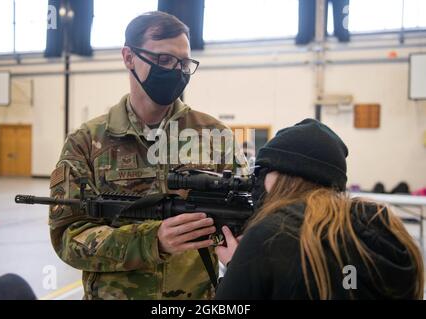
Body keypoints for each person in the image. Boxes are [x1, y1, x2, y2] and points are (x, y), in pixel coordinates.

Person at [49, 11, 244, 300]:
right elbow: (67, 237)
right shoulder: (87, 142)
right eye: (164, 60)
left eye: (184, 63)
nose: (176, 71)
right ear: (129, 57)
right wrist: (150, 241)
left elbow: (247, 212)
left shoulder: (215, 136)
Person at [215, 119, 424, 299]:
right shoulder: (388, 232)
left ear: (280, 175)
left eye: (262, 171)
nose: (257, 180)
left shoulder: (272, 234)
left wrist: (239, 266)